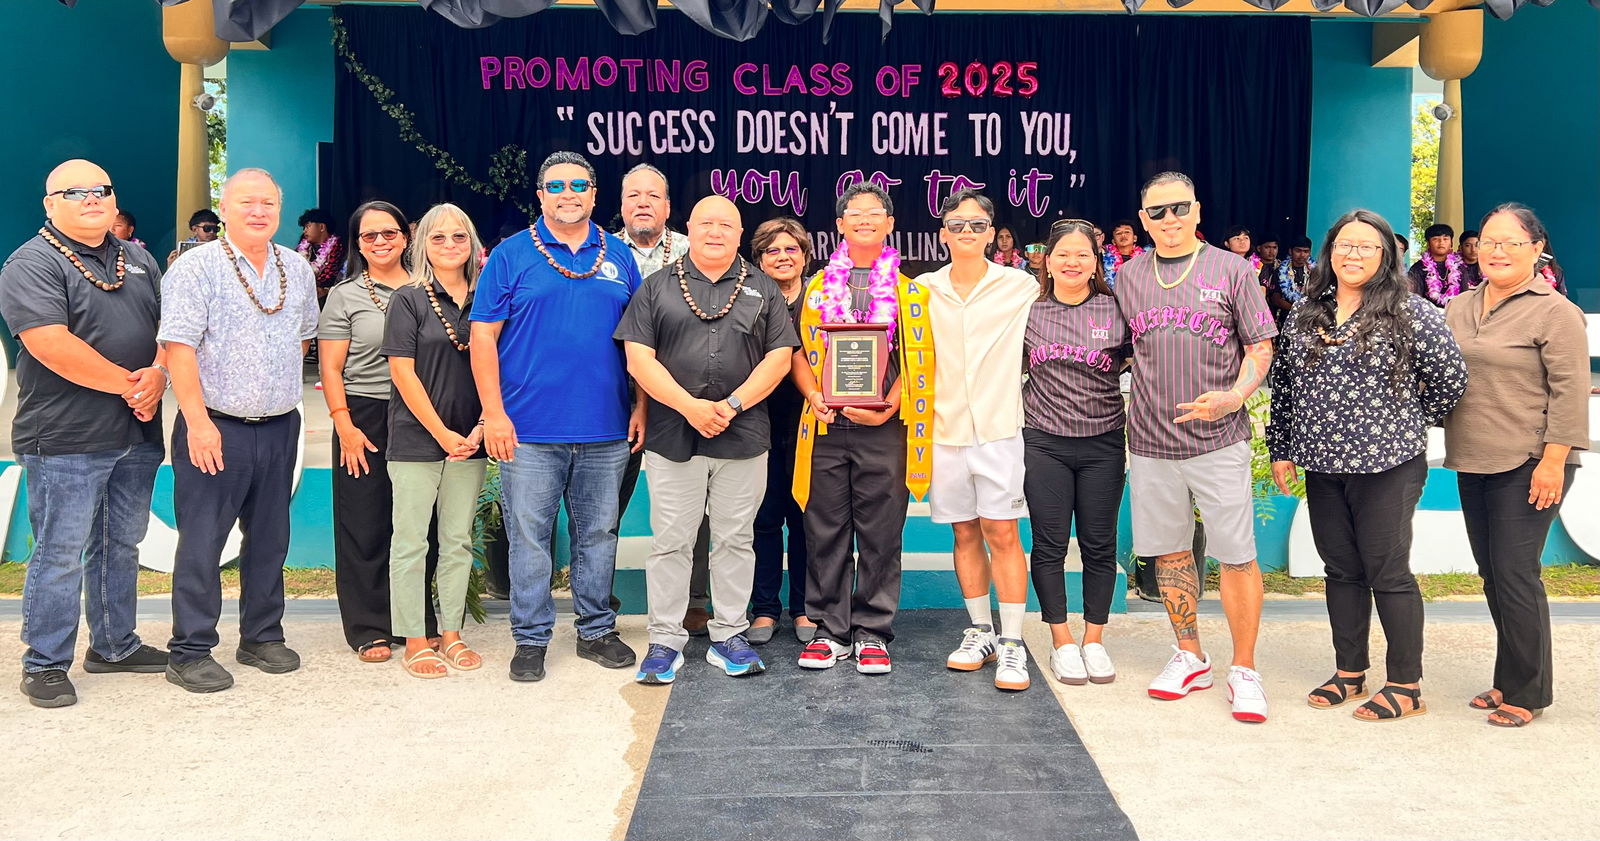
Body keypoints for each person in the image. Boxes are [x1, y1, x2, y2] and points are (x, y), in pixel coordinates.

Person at [1268, 209, 1467, 722]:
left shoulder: (1411, 312)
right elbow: (1286, 388)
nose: (1352, 255)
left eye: (1366, 247)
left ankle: (1406, 684)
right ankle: (1349, 672)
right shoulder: (1305, 312)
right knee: (1341, 570)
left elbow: (1450, 379)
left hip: (1388, 464)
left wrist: (1405, 420)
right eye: (1344, 245)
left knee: (1388, 572)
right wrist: (1282, 447)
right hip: (1321, 462)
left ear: (1386, 257)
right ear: (1329, 253)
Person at [1, 160, 169, 708]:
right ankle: (45, 661)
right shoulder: (32, 263)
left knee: (121, 544)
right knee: (60, 551)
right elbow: (49, 343)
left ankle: (115, 645)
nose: (92, 198)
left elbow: (172, 330)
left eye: (102, 189)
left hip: (137, 431)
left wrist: (160, 374)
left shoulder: (137, 258)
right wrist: (131, 385)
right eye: (75, 192)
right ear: (49, 204)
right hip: (65, 437)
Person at [1114, 171, 1278, 723]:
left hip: (1217, 439)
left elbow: (1260, 345)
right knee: (1169, 552)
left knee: (1236, 553)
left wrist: (1235, 396)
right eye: (1156, 212)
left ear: (1198, 210)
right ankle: (1190, 657)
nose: (1169, 220)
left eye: (1179, 208)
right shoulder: (1129, 275)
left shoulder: (1232, 270)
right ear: (1143, 221)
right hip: (1153, 440)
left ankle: (1245, 668)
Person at [473, 151, 641, 682]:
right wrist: (493, 414)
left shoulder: (618, 256)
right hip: (528, 429)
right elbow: (482, 337)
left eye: (578, 185)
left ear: (594, 195)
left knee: (598, 534)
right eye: (555, 185)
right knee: (530, 538)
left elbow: (641, 341)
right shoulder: (510, 255)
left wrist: (640, 405)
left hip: (607, 427)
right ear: (540, 195)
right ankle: (530, 639)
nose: (568, 193)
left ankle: (595, 630)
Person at [616, 195, 798, 684]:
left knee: (736, 539)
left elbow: (779, 359)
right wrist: (689, 407)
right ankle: (665, 640)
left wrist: (732, 406)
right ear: (688, 229)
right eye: (706, 223)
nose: (716, 231)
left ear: (740, 235)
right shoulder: (655, 288)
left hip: (743, 438)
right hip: (674, 435)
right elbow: (639, 359)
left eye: (727, 224)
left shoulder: (765, 289)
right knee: (672, 542)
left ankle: (729, 636)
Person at [158, 168, 319, 693]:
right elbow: (178, 349)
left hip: (278, 426)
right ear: (223, 209)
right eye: (246, 202)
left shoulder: (296, 268)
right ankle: (190, 649)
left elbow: (301, 340)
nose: (258, 211)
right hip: (213, 426)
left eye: (268, 203)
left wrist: (276, 394)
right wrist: (199, 422)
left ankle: (261, 635)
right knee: (203, 541)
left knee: (271, 539)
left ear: (279, 209)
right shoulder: (195, 269)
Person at [1444, 203, 1589, 728]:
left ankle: (1528, 692)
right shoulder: (1458, 307)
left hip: (1531, 461)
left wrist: (1554, 460)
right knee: (1492, 574)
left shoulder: (1556, 312)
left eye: (1510, 242)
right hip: (1473, 457)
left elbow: (1571, 393)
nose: (1497, 250)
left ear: (1536, 249)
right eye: (1488, 241)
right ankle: (1508, 676)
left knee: (1515, 573)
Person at [790, 184, 934, 674]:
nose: (865, 220)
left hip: (884, 429)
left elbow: (920, 364)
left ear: (890, 224)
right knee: (825, 528)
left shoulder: (911, 292)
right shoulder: (815, 289)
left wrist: (890, 408)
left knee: (879, 532)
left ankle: (873, 631)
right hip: (828, 427)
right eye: (855, 213)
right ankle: (831, 630)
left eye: (876, 213)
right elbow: (796, 354)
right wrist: (815, 396)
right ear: (841, 225)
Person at [921, 189, 1039, 692]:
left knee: (1003, 532)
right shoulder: (922, 289)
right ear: (942, 233)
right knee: (963, 533)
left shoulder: (1022, 286)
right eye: (956, 225)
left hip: (999, 430)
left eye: (976, 225)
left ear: (992, 233)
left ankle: (1013, 642)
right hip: (943, 432)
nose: (966, 232)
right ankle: (980, 632)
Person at [320, 201, 441, 663]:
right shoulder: (345, 295)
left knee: (417, 523)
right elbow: (331, 368)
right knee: (364, 522)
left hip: (419, 413)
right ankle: (369, 626)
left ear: (406, 237)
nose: (380, 242)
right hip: (364, 416)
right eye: (369, 236)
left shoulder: (429, 290)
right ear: (358, 243)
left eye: (389, 233)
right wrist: (344, 424)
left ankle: (414, 622)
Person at [1022, 219, 1130, 686]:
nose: (1071, 262)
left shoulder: (1116, 308)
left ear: (1095, 262)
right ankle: (1062, 640)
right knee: (1048, 545)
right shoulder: (1028, 310)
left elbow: (1141, 360)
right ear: (1047, 259)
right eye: (1062, 253)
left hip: (1104, 442)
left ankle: (1094, 640)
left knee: (1099, 546)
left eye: (1082, 254)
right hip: (1044, 441)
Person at [383, 204, 488, 679]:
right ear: (422, 243)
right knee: (410, 542)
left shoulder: (489, 296)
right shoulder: (407, 299)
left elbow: (504, 366)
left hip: (473, 437)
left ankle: (451, 633)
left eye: (459, 236)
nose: (450, 245)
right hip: (417, 439)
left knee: (457, 541)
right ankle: (415, 640)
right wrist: (443, 433)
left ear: (472, 243)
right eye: (438, 237)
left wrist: (482, 427)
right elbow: (402, 373)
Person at [612, 163, 710, 634]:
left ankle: (695, 599)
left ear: (669, 207)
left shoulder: (697, 252)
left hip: (687, 401)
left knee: (699, 507)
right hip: (613, 398)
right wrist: (638, 402)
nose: (643, 203)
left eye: (653, 196)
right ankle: (597, 603)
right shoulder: (602, 254)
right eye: (634, 196)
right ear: (621, 204)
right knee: (605, 505)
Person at [747, 217, 814, 645]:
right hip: (757, 423)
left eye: (791, 249)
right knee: (764, 520)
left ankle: (807, 608)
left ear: (805, 256)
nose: (782, 257)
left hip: (813, 424)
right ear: (758, 260)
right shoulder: (746, 299)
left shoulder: (826, 300)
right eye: (772, 250)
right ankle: (765, 609)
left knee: (808, 520)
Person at [1408, 223, 1466, 306]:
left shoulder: (1460, 267)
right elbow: (1414, 299)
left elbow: (1466, 296)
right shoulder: (1418, 268)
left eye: (1445, 239)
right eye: (1435, 239)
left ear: (1451, 243)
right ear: (1428, 243)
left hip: (1456, 314)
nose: (1441, 242)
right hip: (1427, 315)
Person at [297, 208, 346, 297]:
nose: (304, 231)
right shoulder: (300, 252)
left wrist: (325, 291)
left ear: (322, 227)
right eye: (304, 228)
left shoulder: (340, 252)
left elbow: (344, 283)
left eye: (308, 226)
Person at [1102, 219, 1144, 288]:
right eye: (1118, 233)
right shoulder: (1104, 259)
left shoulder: (1144, 258)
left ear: (1135, 238)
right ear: (1113, 241)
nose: (1123, 235)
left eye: (1127, 232)